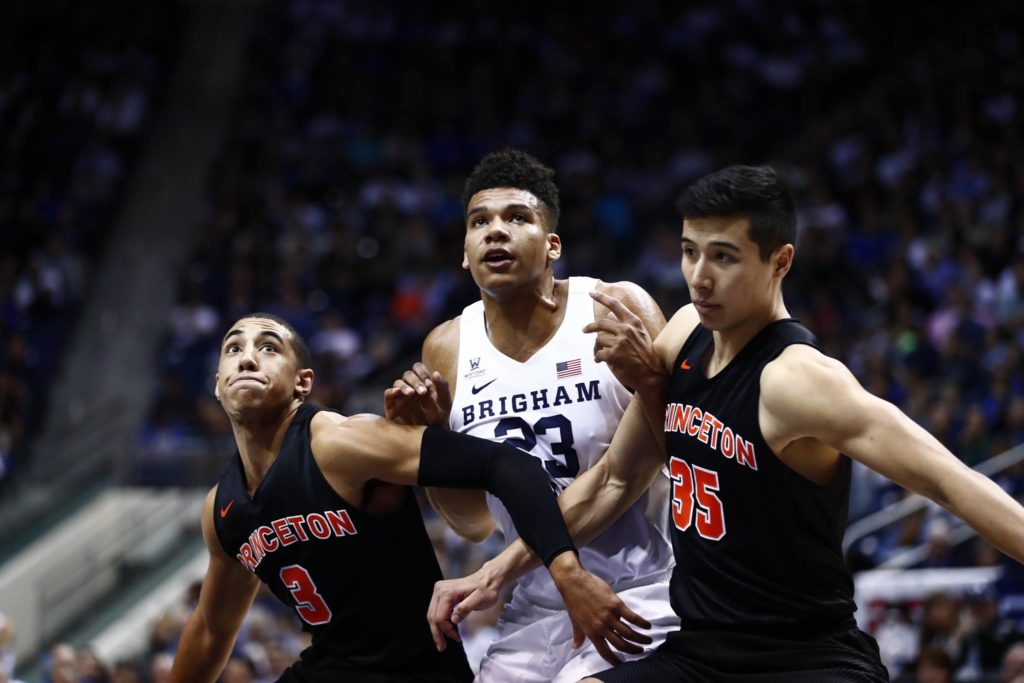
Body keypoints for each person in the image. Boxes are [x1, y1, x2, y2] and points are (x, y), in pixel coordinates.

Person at [432, 165, 1024, 681]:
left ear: (780, 261)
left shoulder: (801, 380)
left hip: (799, 654)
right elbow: (614, 478)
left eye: (724, 257)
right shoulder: (684, 333)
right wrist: (496, 571)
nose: (699, 276)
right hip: (700, 648)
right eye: (690, 252)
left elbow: (949, 482)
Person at [168, 313, 644, 683]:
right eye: (233, 349)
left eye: (267, 347)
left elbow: (507, 464)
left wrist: (567, 573)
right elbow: (211, 631)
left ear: (303, 382)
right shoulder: (222, 510)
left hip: (414, 671)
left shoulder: (336, 444)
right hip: (329, 666)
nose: (247, 358)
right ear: (216, 383)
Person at [385, 149, 678, 681]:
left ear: (552, 246)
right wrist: (429, 438)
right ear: (465, 254)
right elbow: (474, 522)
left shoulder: (614, 306)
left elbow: (670, 457)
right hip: (533, 610)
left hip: (646, 590)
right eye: (480, 223)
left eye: (517, 218)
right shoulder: (447, 348)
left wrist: (649, 381)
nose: (495, 232)